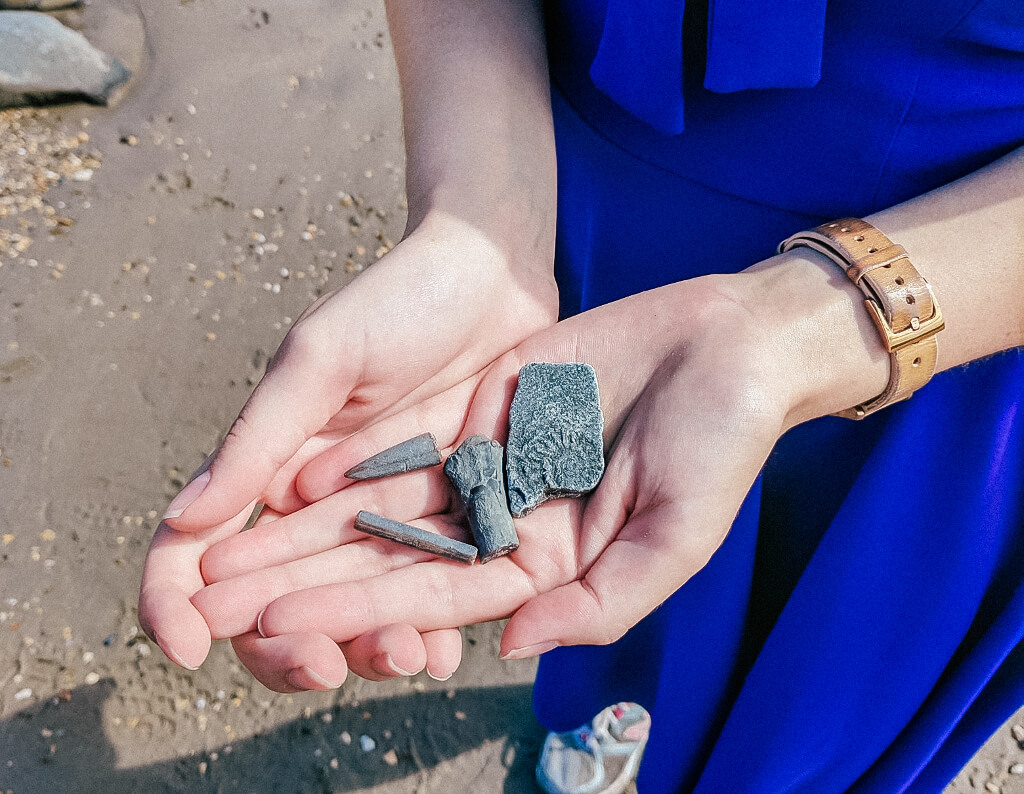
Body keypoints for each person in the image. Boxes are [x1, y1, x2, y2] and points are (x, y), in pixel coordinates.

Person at [139, 0, 1024, 791]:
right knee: (597, 597)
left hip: (958, 302)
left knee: (823, 686)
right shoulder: (548, 369)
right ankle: (601, 718)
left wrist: (811, 331)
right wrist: (484, 211)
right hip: (583, 194)